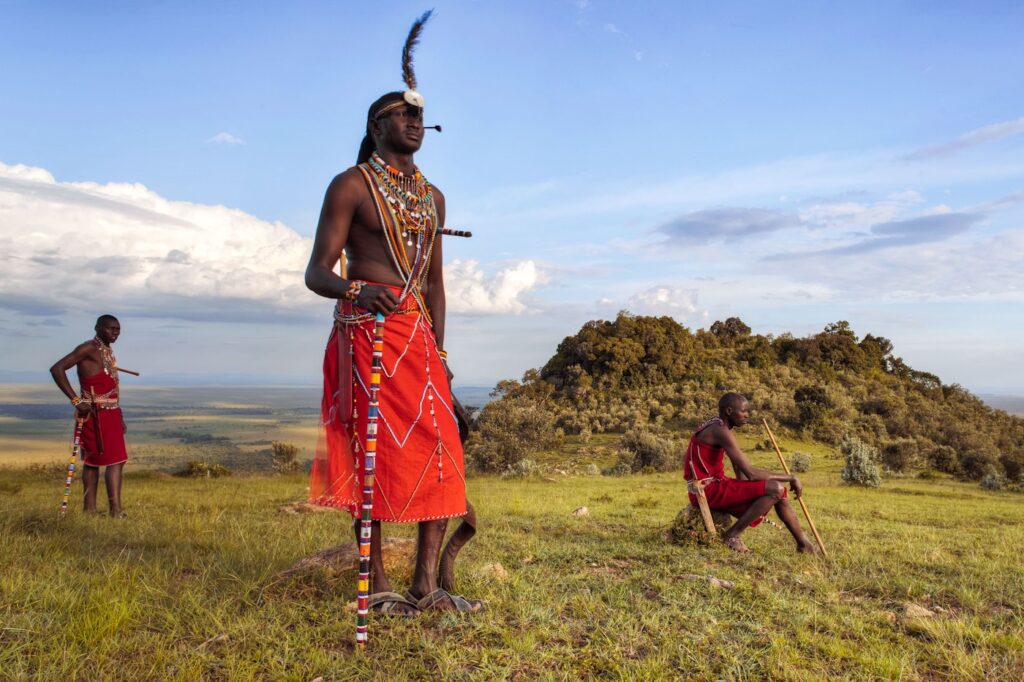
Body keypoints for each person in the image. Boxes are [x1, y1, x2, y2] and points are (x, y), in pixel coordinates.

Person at [304, 12, 480, 616]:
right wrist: (356, 291)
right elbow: (317, 273)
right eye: (403, 115)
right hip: (366, 336)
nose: (414, 122)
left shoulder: (432, 198)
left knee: (440, 450)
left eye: (419, 116)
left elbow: (435, 283)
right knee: (372, 455)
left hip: (419, 340)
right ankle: (377, 584)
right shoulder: (350, 185)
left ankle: (426, 586)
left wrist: (443, 356)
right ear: (376, 125)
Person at [684, 393, 819, 553]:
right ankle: (731, 536)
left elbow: (737, 466)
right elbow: (751, 473)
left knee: (779, 492)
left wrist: (746, 490)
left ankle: (803, 544)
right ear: (729, 411)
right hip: (707, 489)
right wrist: (791, 477)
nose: (747, 415)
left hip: (714, 485)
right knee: (776, 488)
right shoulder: (720, 430)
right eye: (743, 411)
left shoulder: (718, 425)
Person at [49, 314, 128, 517]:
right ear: (98, 328)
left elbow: (111, 388)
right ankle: (115, 512)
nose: (115, 333)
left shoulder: (106, 351)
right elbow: (57, 369)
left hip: (110, 413)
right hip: (96, 413)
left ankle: (90, 511)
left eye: (118, 329)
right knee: (114, 461)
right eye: (111, 329)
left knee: (96, 462)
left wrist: (120, 418)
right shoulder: (88, 348)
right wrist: (76, 400)